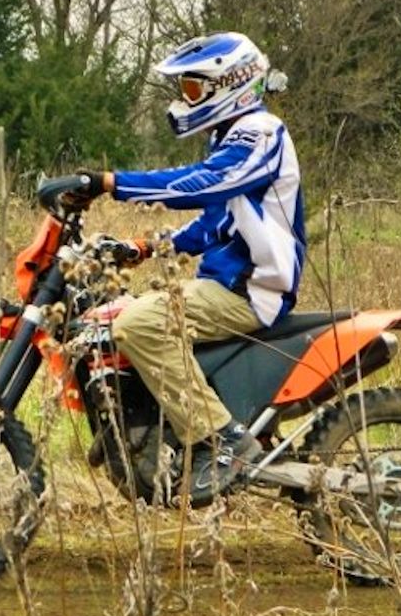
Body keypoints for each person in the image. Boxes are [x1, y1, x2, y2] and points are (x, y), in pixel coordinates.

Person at [75, 31, 306, 507]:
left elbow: (203, 185)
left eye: (194, 89)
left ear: (230, 83)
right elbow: (215, 223)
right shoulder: (234, 136)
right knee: (120, 317)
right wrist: (143, 248)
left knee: (137, 323)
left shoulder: (260, 132)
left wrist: (109, 183)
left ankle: (220, 441)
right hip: (227, 284)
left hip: (252, 291)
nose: (187, 100)